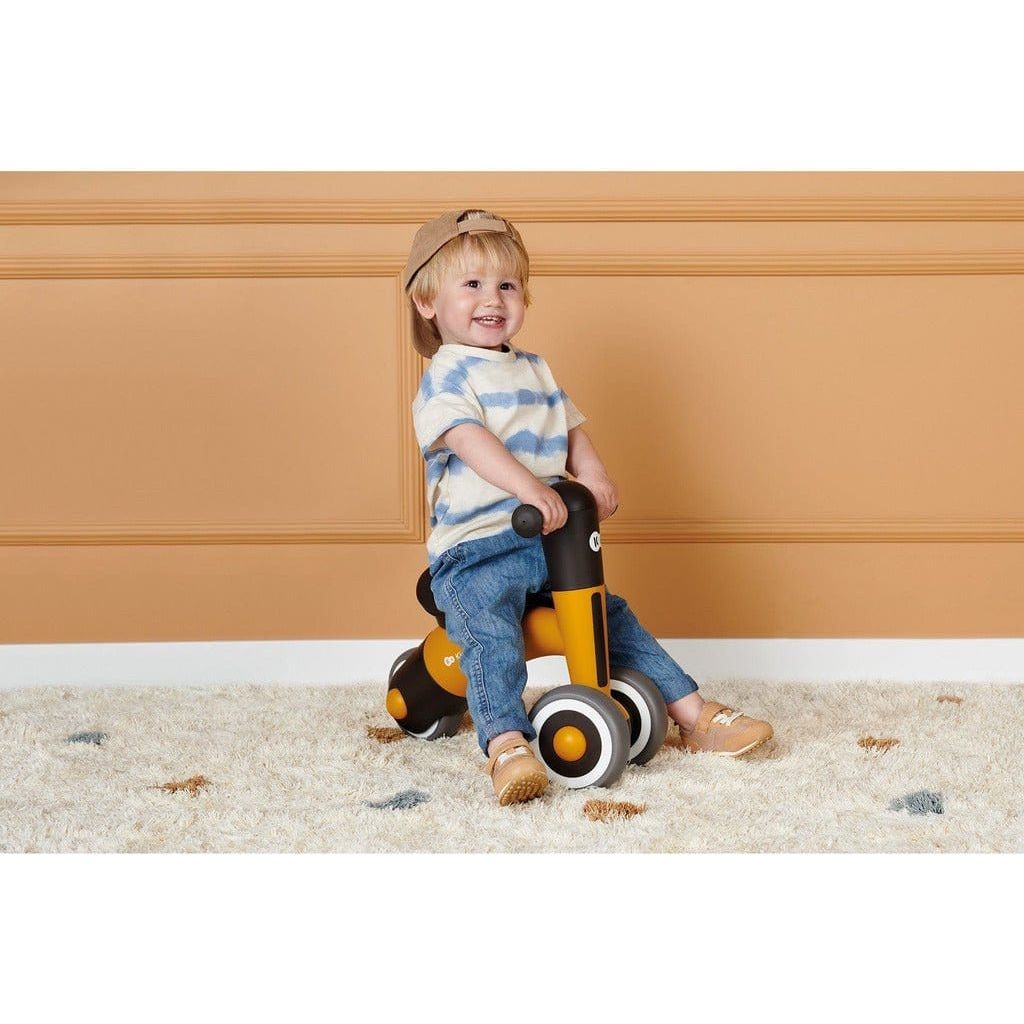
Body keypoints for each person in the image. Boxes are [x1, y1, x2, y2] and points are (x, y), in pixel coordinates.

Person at [406, 209, 773, 805]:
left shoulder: (534, 369)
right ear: (427, 301)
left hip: (550, 540)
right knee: (489, 632)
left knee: (610, 617)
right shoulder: (447, 379)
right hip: (477, 552)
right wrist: (529, 486)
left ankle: (694, 713)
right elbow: (468, 438)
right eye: (470, 285)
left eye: (507, 285)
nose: (491, 299)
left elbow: (571, 427)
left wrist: (594, 473)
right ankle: (506, 743)